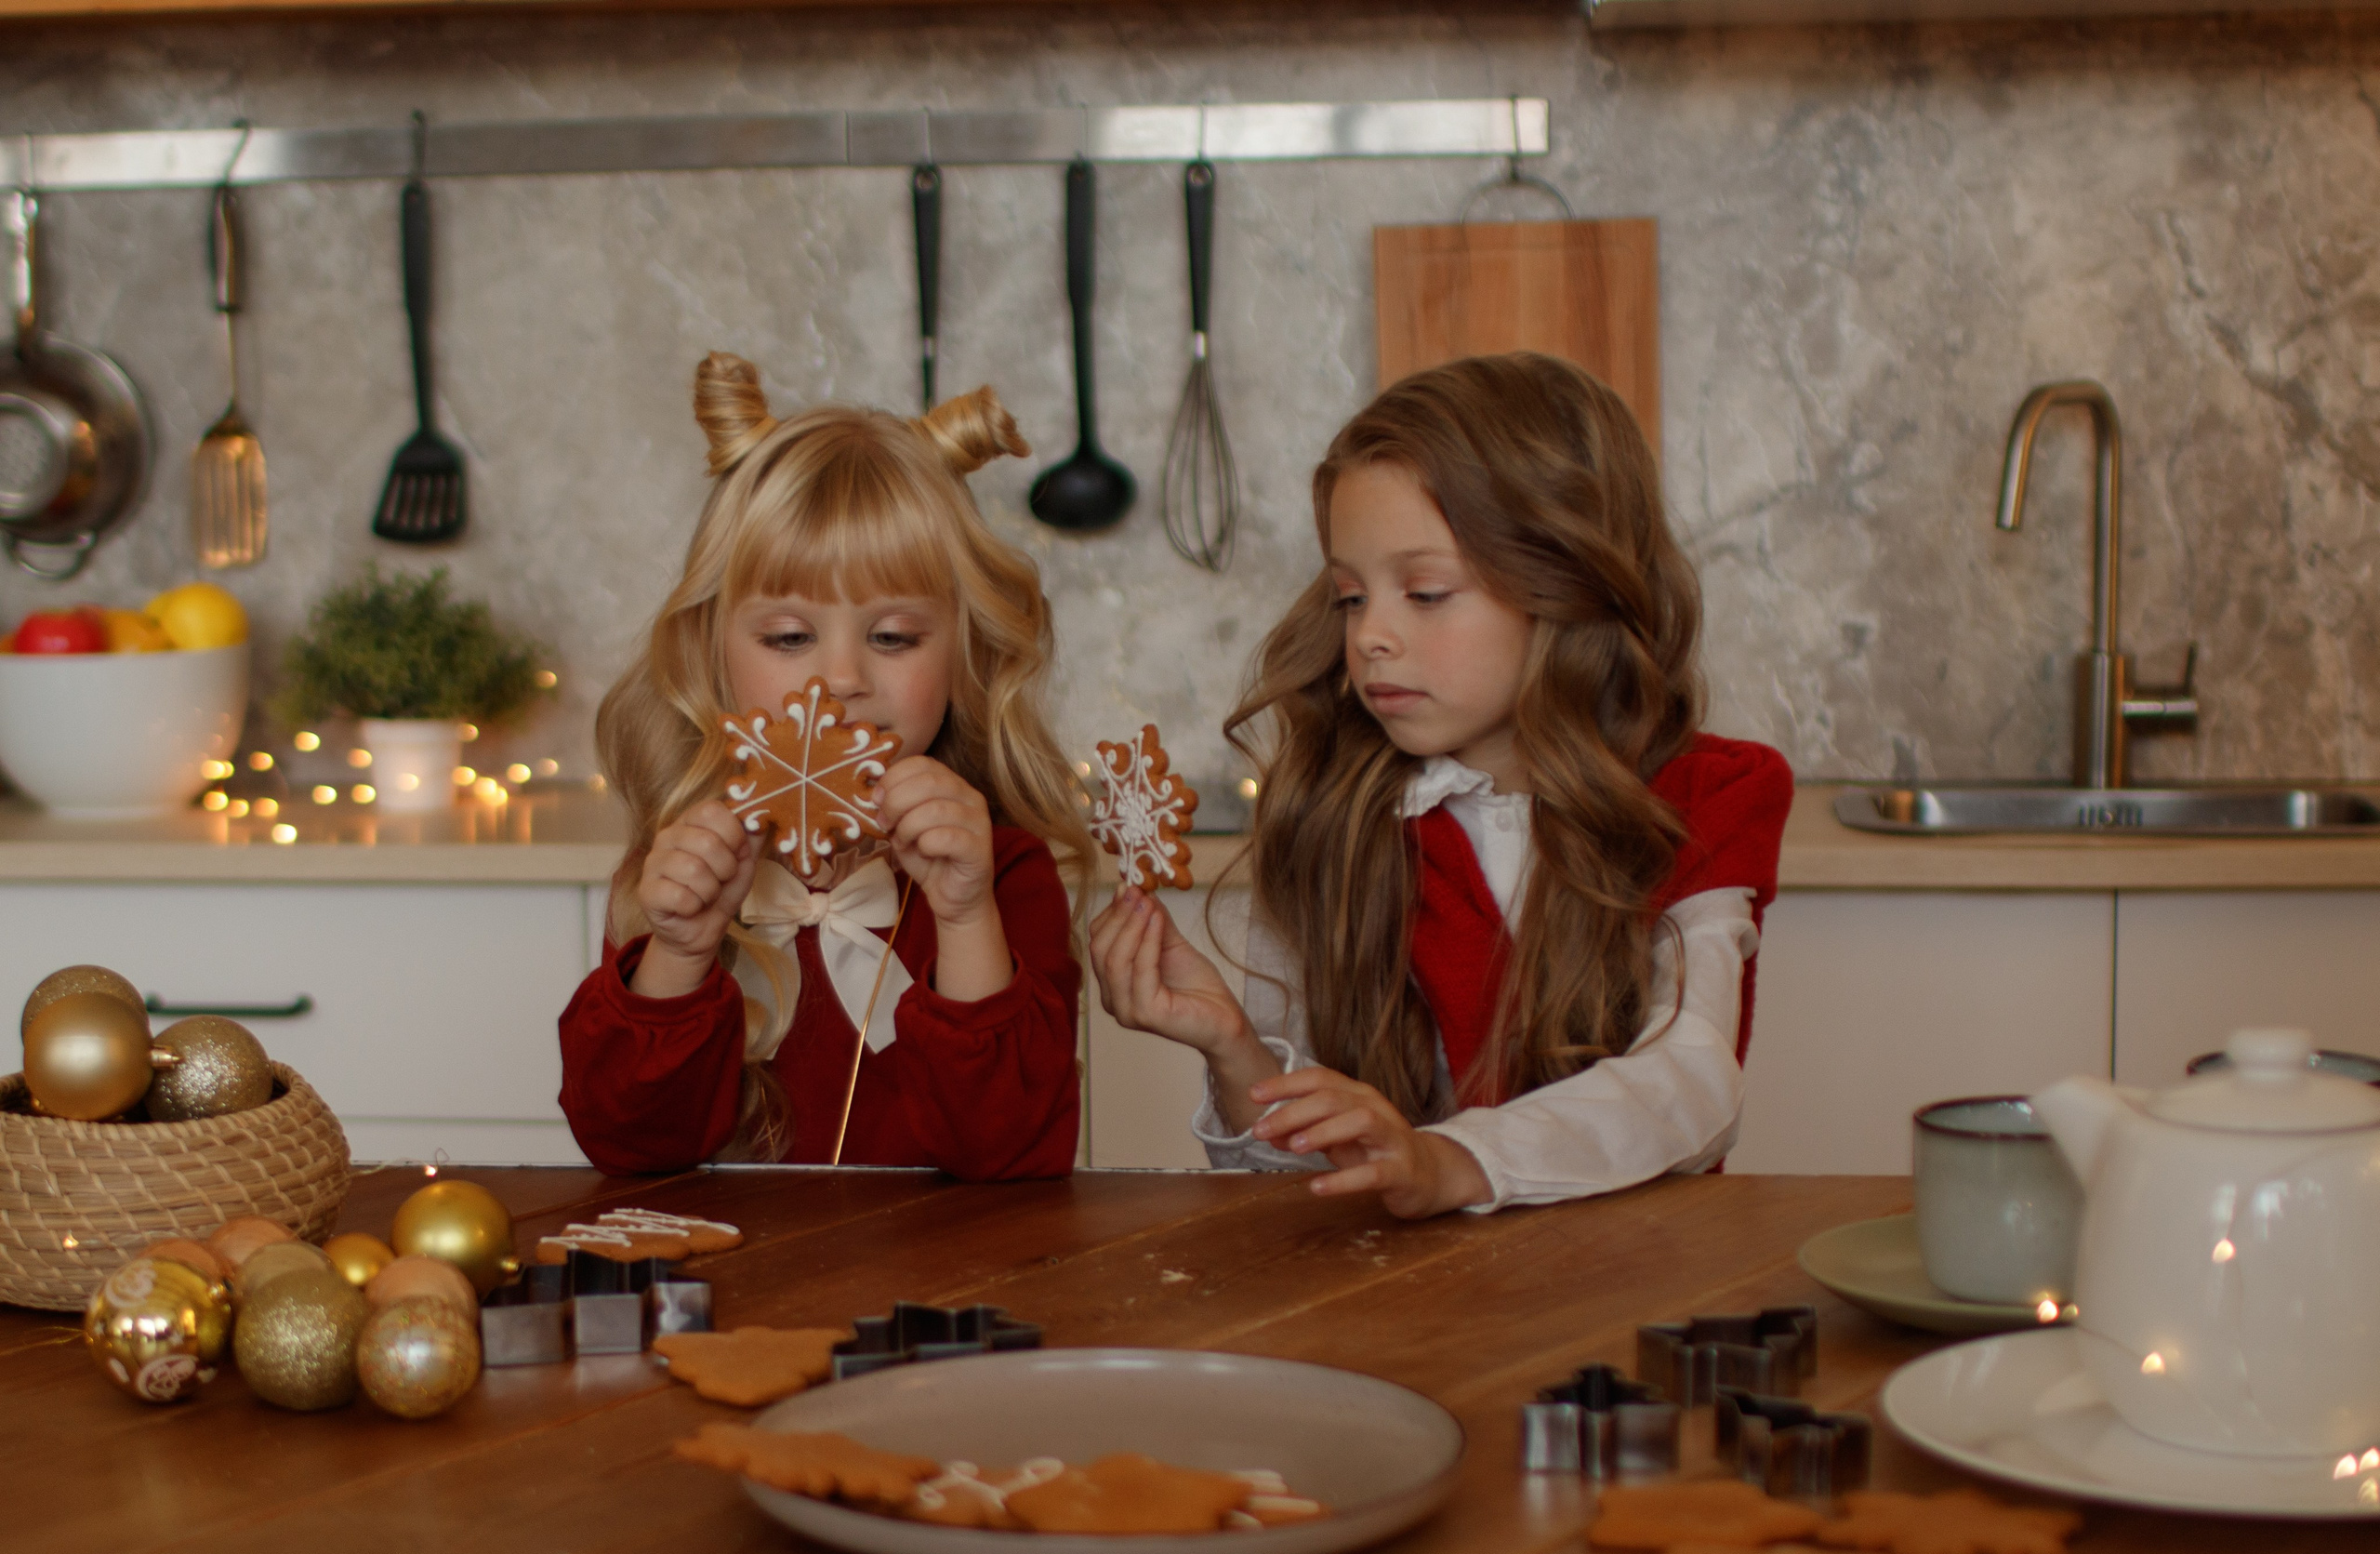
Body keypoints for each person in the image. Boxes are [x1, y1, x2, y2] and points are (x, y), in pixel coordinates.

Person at [1090, 353, 1792, 1219]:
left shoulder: (1701, 802)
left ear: (1565, 584)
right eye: (1351, 597)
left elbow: (1689, 1082)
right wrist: (1235, 1050)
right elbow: (1314, 1188)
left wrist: (1451, 1159)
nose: (1372, 635)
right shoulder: (1337, 815)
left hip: (1629, 1300)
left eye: (1425, 592)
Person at [559, 352, 1094, 1178]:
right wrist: (680, 950)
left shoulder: (1004, 874)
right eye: (788, 638)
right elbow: (628, 1146)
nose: (842, 679)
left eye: (892, 638)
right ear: (715, 653)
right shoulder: (674, 873)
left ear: (962, 651)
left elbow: (1012, 1156)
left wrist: (962, 918)